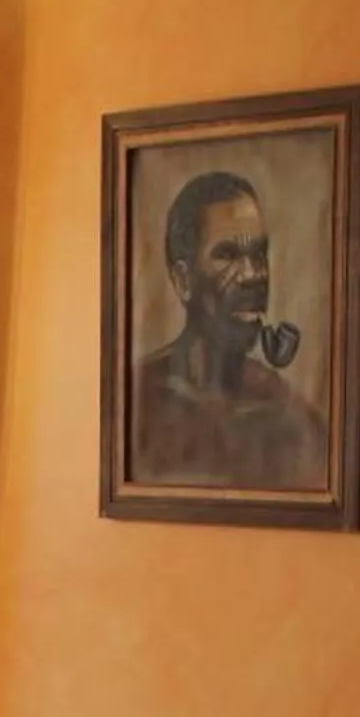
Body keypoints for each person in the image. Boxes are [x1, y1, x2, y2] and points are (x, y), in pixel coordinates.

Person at [129, 171, 330, 492]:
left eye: (259, 253)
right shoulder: (137, 403)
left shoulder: (295, 420)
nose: (253, 275)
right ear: (183, 280)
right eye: (227, 255)